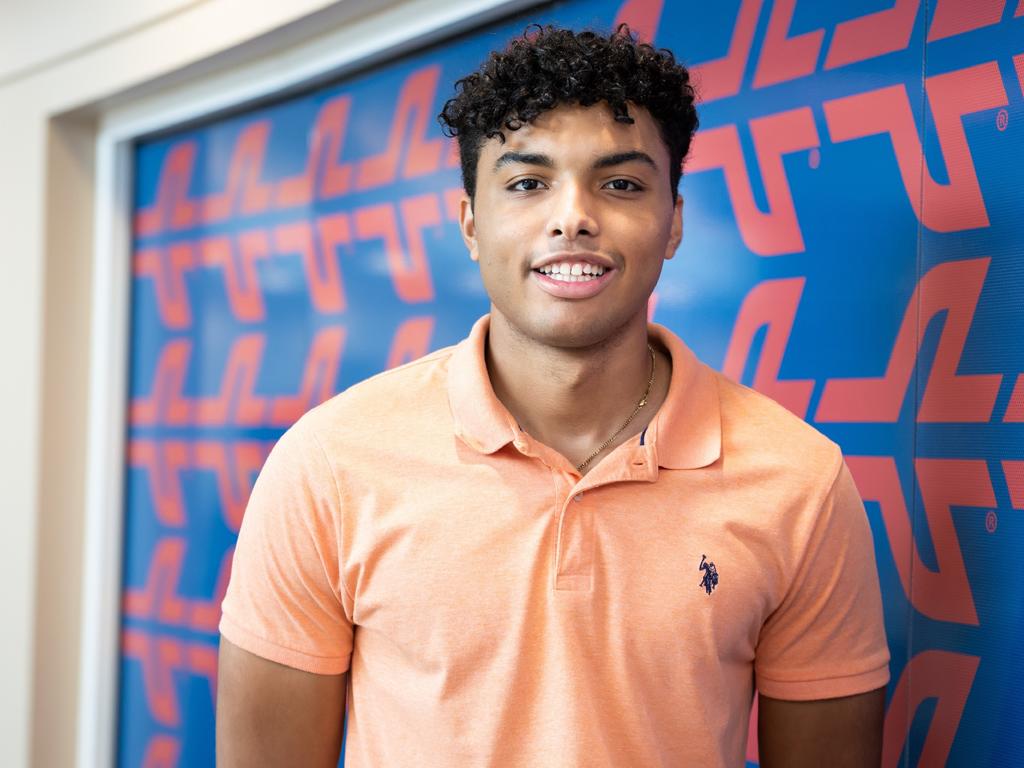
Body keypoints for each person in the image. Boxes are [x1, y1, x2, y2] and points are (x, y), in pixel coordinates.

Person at [216, 25, 890, 767]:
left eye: (622, 183)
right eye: (528, 183)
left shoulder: (799, 482)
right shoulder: (330, 465)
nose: (573, 217)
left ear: (674, 223)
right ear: (472, 224)